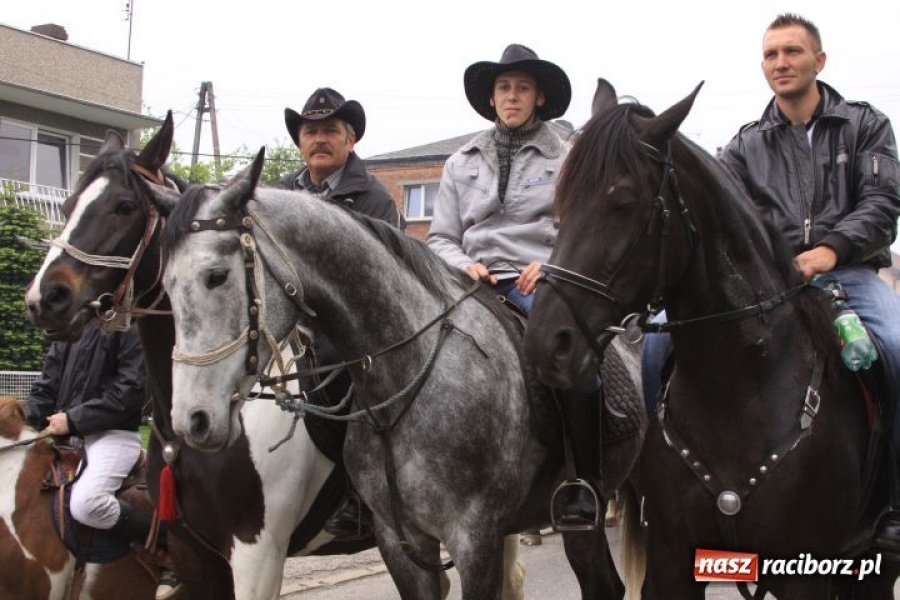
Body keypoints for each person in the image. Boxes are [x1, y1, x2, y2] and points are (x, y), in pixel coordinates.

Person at [642, 12, 900, 552]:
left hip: (850, 271)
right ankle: (654, 486)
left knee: (896, 348)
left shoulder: (864, 124)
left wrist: (831, 249)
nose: (780, 62)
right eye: (771, 54)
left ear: (818, 61)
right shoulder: (743, 146)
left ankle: (894, 503)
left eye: (792, 51)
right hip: (768, 283)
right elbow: (721, 220)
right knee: (656, 344)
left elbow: (882, 203)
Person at [427, 43, 602, 529]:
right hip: (469, 281)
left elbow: (584, 229)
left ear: (538, 97)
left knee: (572, 357)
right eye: (503, 88)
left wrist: (551, 266)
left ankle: (584, 480)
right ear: (491, 98)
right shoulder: (460, 162)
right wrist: (463, 265)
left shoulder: (568, 157)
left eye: (522, 88)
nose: (511, 96)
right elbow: (440, 237)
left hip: (537, 278)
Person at [278, 87, 403, 541]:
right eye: (310, 131)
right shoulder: (280, 193)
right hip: (286, 315)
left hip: (349, 322)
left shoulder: (373, 198)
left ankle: (357, 492)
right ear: (299, 142)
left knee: (339, 376)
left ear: (350, 141)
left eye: (331, 130)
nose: (320, 139)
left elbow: (381, 278)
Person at [25, 321, 181, 600]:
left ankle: (172, 549)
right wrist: (26, 423)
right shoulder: (72, 325)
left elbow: (131, 391)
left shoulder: (131, 327)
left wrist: (73, 420)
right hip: (67, 438)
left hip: (113, 436)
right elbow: (46, 385)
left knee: (87, 503)